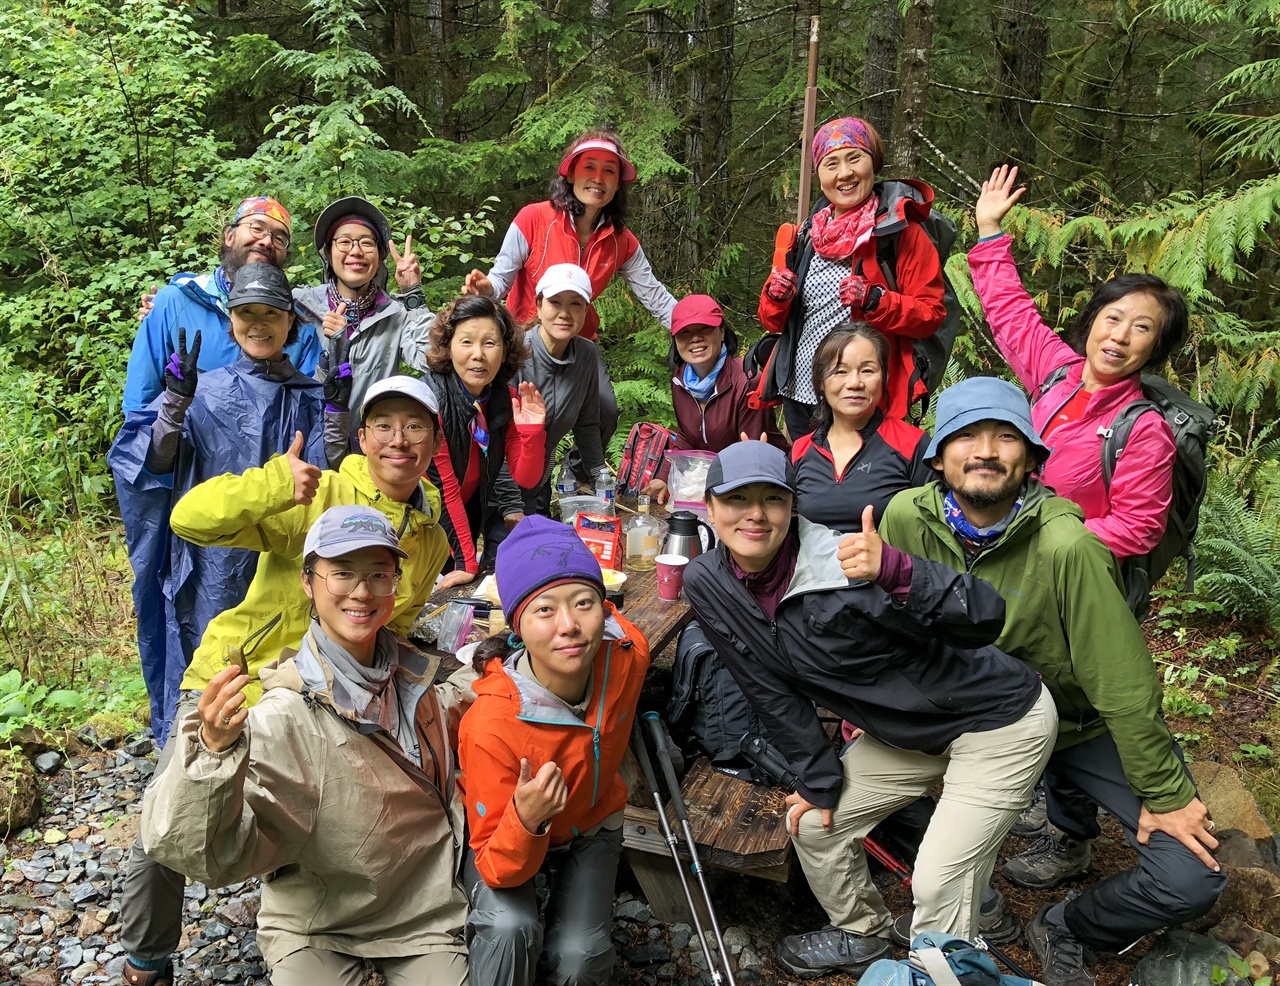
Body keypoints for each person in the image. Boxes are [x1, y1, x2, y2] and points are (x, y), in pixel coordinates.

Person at [875, 377, 1225, 986]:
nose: (984, 450)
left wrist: (1165, 794)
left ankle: (1070, 923)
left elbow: (1119, 676)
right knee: (863, 801)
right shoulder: (907, 517)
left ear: (1034, 460)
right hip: (971, 722)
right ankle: (979, 906)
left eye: (1004, 438)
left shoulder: (1067, 544)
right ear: (936, 457)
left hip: (1075, 724)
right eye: (965, 436)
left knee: (1190, 876)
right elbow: (895, 630)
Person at [119, 376, 451, 986]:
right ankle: (148, 958)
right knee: (171, 811)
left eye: (415, 427)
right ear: (363, 434)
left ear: (435, 438)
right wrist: (274, 482)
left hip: (329, 697)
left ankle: (334, 919)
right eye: (383, 425)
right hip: (243, 681)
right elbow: (190, 520)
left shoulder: (428, 532)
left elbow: (394, 621)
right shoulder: (317, 492)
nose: (398, 440)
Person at [681, 441, 1057, 979]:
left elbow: (985, 617)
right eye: (737, 499)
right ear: (710, 507)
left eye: (772, 499)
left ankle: (942, 970)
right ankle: (864, 933)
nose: (756, 515)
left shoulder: (848, 570)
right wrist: (817, 777)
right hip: (909, 733)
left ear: (793, 507)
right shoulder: (709, 581)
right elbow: (765, 684)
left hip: (997, 721)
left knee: (936, 880)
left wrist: (899, 571)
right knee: (812, 824)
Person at [113, 196, 322, 755]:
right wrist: (173, 409)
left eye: (271, 316)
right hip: (209, 555)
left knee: (278, 655)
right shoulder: (200, 387)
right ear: (231, 322)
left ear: (290, 323)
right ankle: (196, 757)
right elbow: (149, 464)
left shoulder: (310, 396)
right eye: (247, 315)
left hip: (281, 552)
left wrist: (342, 417)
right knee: (212, 648)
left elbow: (334, 477)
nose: (259, 325)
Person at [458, 515, 651, 986]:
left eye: (584, 603)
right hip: (508, 830)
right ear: (517, 625)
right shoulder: (490, 726)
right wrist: (527, 820)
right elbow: (499, 867)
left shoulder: (629, 654)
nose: (570, 626)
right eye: (544, 610)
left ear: (604, 610)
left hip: (594, 821)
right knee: (510, 927)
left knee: (581, 957)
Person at [970, 165, 1186, 562]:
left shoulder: (1143, 429)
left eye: (1141, 327)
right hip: (996, 548)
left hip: (1063, 573)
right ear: (1092, 321)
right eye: (1113, 318)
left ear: (1155, 348)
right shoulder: (1056, 371)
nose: (1120, 336)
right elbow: (1010, 312)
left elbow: (1136, 528)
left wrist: (1038, 537)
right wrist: (989, 230)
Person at [463, 127, 677, 468]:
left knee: (605, 410)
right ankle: (506, 498)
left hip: (578, 347)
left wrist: (695, 325)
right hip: (522, 344)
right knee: (518, 422)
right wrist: (485, 290)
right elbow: (499, 278)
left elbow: (654, 294)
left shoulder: (621, 240)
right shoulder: (534, 218)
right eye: (589, 167)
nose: (598, 178)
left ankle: (577, 474)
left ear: (618, 182)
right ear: (572, 172)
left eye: (609, 170)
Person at [756, 117, 946, 437]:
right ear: (820, 177)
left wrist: (876, 300)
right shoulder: (807, 235)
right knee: (806, 482)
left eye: (854, 158)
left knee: (859, 485)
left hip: (864, 399)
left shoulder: (902, 233)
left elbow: (930, 314)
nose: (844, 173)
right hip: (800, 392)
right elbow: (774, 323)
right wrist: (776, 297)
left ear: (874, 162)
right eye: (831, 163)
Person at [423, 295, 547, 586]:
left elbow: (526, 479)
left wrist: (532, 433)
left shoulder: (506, 399)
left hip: (466, 513)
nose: (478, 354)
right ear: (448, 347)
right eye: (466, 342)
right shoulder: (430, 401)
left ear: (504, 351)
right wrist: (468, 561)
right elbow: (443, 487)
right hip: (421, 519)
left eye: (490, 343)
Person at [296, 195, 435, 434]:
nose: (356, 251)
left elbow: (428, 359)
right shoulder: (300, 306)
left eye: (367, 243)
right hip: (306, 442)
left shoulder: (395, 314)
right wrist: (333, 348)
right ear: (327, 253)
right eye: (344, 242)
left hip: (370, 451)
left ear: (380, 256)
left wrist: (413, 293)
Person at [645, 293, 787, 505]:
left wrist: (711, 489)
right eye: (685, 333)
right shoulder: (679, 381)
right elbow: (685, 437)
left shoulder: (747, 380)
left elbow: (752, 449)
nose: (695, 338)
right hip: (716, 483)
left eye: (705, 328)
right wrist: (665, 476)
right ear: (675, 341)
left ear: (722, 332)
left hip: (761, 484)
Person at [789, 322, 932, 532]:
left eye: (867, 370)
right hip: (811, 565)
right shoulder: (800, 451)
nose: (854, 383)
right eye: (840, 371)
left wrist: (888, 560)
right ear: (821, 381)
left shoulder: (913, 445)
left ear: (884, 378)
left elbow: (936, 532)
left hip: (891, 564)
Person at [503, 263, 608, 516]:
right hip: (500, 490)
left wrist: (602, 482)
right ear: (538, 307)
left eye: (575, 304)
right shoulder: (514, 354)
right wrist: (511, 507)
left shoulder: (586, 354)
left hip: (540, 484)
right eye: (555, 302)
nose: (565, 313)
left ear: (585, 312)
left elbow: (587, 424)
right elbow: (496, 439)